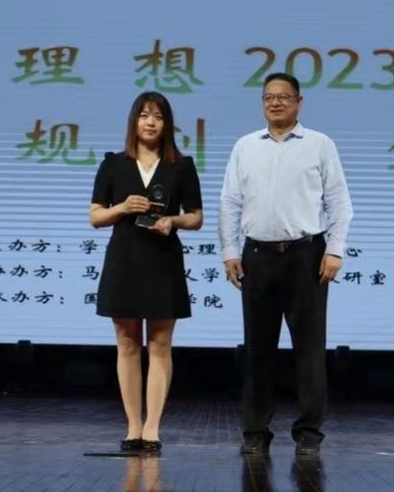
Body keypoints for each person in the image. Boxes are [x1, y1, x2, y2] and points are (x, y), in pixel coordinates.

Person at [219, 72, 353, 456]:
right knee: (258, 349)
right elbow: (230, 202)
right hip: (257, 256)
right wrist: (230, 251)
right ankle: (255, 432)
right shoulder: (245, 146)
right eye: (268, 97)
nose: (275, 103)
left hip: (306, 256)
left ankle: (309, 432)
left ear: (299, 101)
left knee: (309, 350)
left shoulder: (320, 144)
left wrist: (335, 250)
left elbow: (339, 202)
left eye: (283, 97)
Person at [90, 92, 203, 453]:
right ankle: (133, 426)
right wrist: (122, 207)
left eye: (158, 116)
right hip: (124, 260)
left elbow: (196, 217)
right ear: (134, 121)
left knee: (159, 344)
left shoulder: (181, 165)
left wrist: (173, 221)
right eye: (144, 115)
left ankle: (152, 428)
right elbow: (95, 216)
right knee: (126, 343)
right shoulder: (114, 164)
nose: (150, 122)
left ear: (167, 123)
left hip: (162, 260)